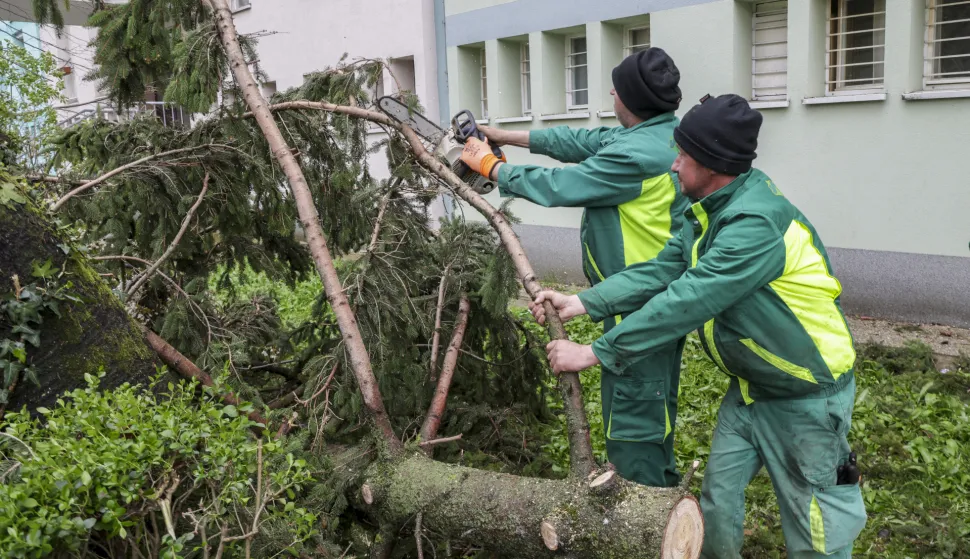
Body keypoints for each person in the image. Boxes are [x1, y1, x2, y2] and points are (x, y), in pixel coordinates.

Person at [527, 94, 867, 558]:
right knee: (716, 504)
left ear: (713, 164)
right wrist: (582, 302)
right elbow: (663, 269)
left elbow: (686, 301)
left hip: (805, 395)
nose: (673, 165)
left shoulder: (753, 225)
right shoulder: (707, 210)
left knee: (814, 530)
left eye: (683, 156)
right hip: (750, 388)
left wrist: (594, 353)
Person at [459, 47, 688, 488]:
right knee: (643, 402)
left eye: (616, 89)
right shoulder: (655, 134)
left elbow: (561, 186)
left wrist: (491, 167)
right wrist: (502, 136)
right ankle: (647, 490)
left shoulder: (636, 156)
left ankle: (644, 503)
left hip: (640, 296)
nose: (609, 92)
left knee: (636, 411)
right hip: (632, 296)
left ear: (630, 100)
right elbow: (578, 143)